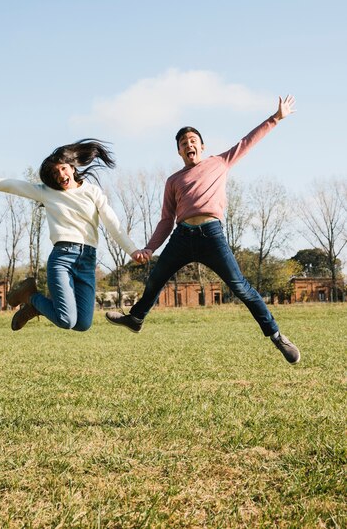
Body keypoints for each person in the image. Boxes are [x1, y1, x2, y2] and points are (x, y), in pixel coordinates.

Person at [106, 95, 301, 364]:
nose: (189, 145)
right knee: (155, 279)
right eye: (184, 143)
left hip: (212, 235)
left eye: (193, 141)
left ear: (202, 146)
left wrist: (275, 118)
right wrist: (150, 247)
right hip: (182, 236)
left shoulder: (219, 163)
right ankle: (136, 318)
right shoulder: (173, 180)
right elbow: (165, 220)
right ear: (179, 151)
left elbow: (247, 142)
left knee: (242, 288)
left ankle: (277, 336)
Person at [0, 140, 144, 332]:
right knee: (66, 320)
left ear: (72, 167)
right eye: (55, 173)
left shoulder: (92, 192)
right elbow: (15, 186)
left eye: (63, 168)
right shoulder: (48, 192)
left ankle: (34, 304)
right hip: (62, 258)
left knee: (83, 324)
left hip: (87, 260)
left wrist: (132, 250)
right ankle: (31, 297)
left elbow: (112, 223)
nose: (60, 175)